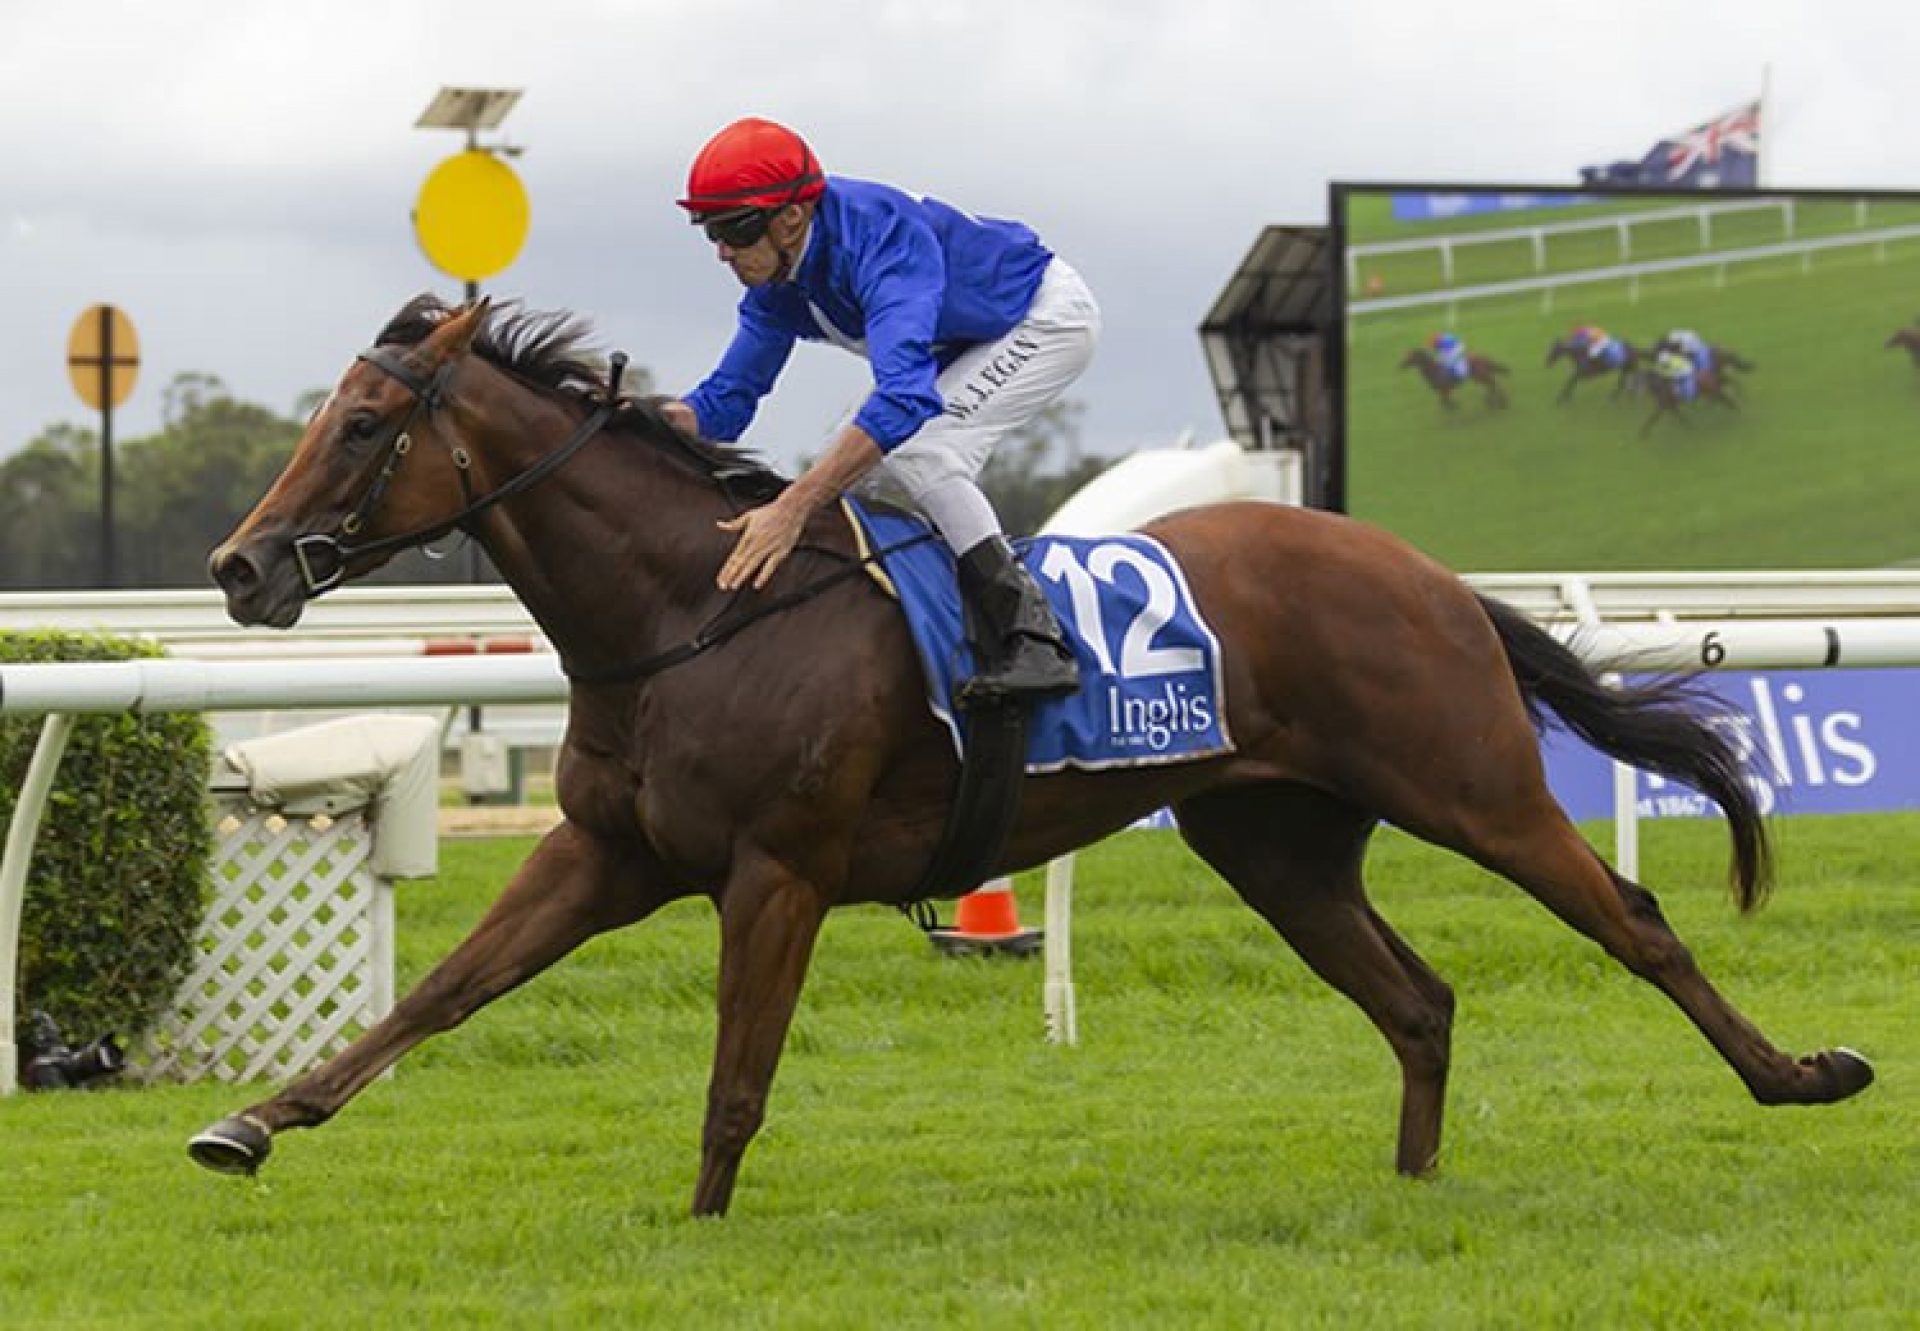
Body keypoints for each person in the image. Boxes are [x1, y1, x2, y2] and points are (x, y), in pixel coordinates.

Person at [661, 117, 1099, 706]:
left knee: (919, 449)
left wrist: (793, 506)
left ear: (791, 216)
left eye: (731, 229)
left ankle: (1033, 638)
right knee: (851, 465)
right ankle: (926, 628)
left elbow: (905, 397)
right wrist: (648, 420)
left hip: (1042, 317)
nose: (721, 251)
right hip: (964, 340)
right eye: (708, 229)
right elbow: (726, 403)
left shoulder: (879, 237)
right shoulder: (775, 285)